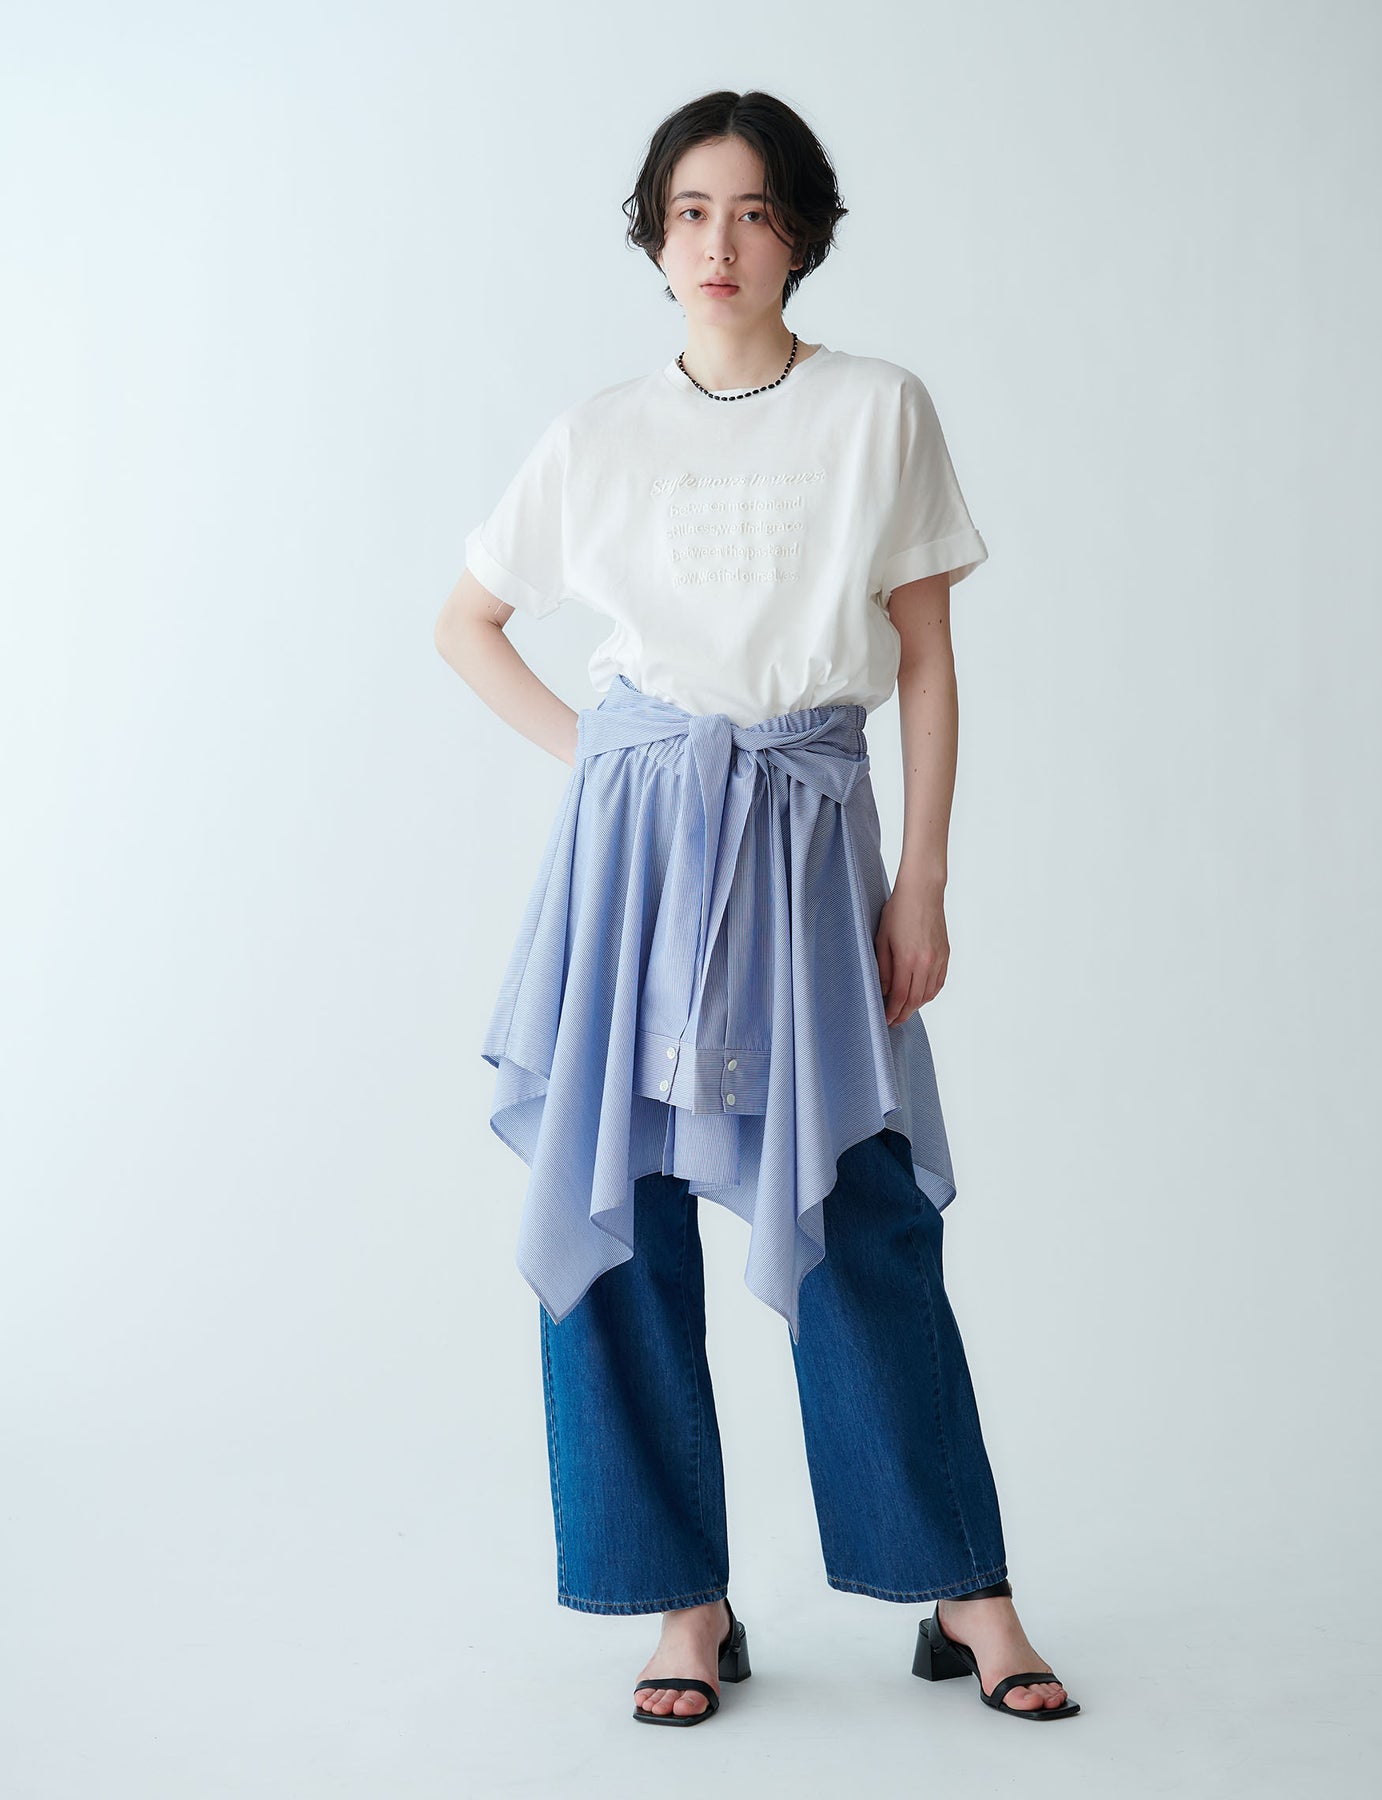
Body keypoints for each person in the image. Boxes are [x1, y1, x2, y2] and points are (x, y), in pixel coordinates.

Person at [434, 90, 1080, 1728]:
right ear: (654, 236)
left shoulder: (877, 410)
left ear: (803, 232)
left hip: (806, 839)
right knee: (624, 1205)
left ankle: (966, 1592)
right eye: (690, 210)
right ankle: (685, 1604)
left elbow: (925, 661)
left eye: (754, 210)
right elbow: (466, 622)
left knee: (861, 1202)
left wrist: (922, 876)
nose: (719, 242)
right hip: (634, 859)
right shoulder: (597, 432)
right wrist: (607, 764)